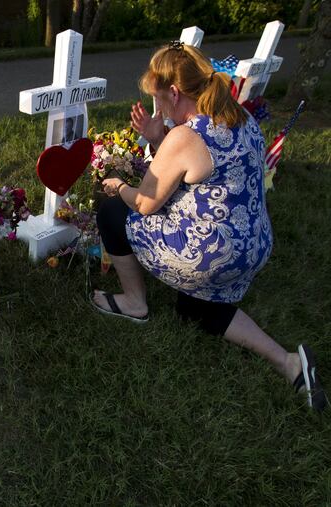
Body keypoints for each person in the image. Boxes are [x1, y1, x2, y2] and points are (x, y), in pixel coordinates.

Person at [91, 41, 326, 412]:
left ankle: (135, 303)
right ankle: (289, 363)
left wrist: (118, 186)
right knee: (193, 308)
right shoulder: (239, 116)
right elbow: (195, 173)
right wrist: (156, 139)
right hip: (252, 246)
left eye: (159, 101)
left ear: (174, 92)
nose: (159, 109)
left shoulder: (187, 136)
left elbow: (146, 202)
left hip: (211, 254)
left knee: (112, 212)